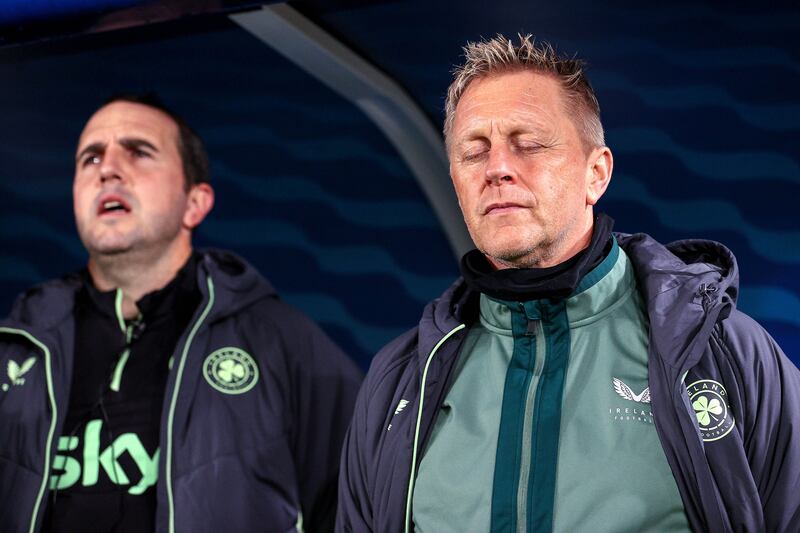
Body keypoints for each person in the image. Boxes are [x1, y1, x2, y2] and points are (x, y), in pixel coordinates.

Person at [336, 34, 800, 533]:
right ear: (456, 182)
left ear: (596, 173)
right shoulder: (403, 379)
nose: (497, 169)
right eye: (474, 153)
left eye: (529, 145)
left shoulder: (723, 353)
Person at [0, 93, 362, 533]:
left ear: (196, 202)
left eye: (138, 152)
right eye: (90, 159)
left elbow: (361, 507)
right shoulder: (15, 347)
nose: (108, 169)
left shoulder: (281, 341)